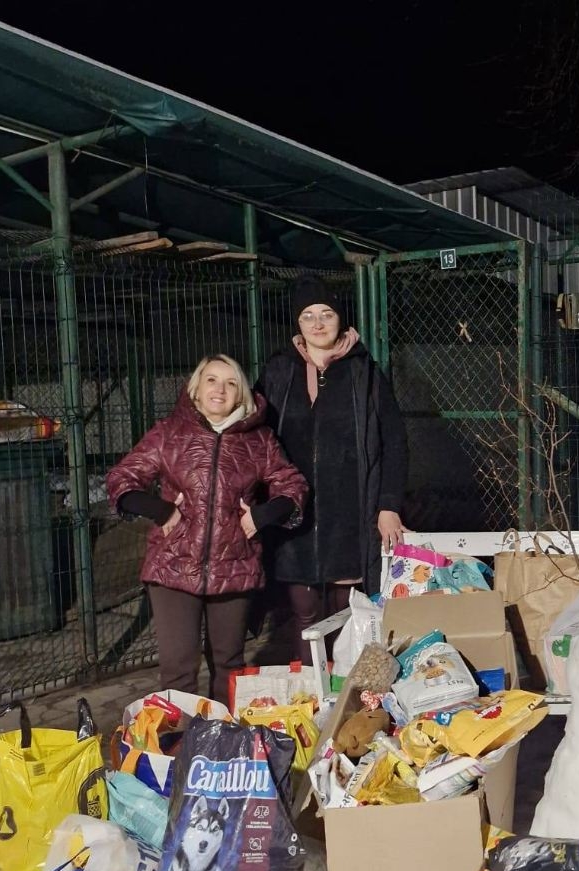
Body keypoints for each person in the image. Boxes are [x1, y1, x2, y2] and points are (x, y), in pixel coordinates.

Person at [106, 354, 307, 703]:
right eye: (212, 379)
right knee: (178, 668)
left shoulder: (258, 440)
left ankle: (223, 743)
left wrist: (261, 516)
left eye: (231, 383)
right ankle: (180, 746)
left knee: (228, 665)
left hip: (234, 567)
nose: (220, 389)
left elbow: (292, 486)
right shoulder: (168, 433)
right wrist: (161, 511)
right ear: (196, 389)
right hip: (173, 566)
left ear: (241, 394)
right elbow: (122, 479)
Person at [255, 277, 408, 663]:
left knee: (346, 612)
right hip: (294, 514)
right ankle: (309, 691)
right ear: (298, 323)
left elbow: (394, 442)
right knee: (303, 613)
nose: (318, 323)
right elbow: (252, 435)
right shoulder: (278, 371)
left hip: (350, 511)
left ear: (341, 319)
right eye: (308, 315)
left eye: (326, 314)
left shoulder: (365, 372)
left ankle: (346, 696)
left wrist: (388, 504)